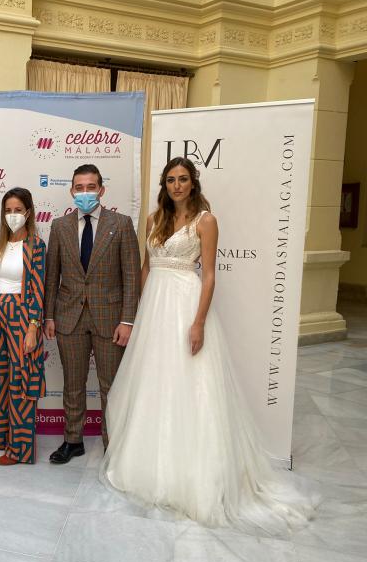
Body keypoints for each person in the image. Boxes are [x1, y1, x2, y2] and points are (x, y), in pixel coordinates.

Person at [101, 157, 313, 532]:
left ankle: (191, 472)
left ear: (193, 183)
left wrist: (198, 321)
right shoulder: (153, 220)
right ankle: (148, 461)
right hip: (155, 307)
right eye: (170, 179)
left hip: (185, 302)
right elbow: (147, 268)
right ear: (164, 185)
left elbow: (210, 275)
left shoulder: (206, 221)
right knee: (154, 382)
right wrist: (140, 309)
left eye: (183, 179)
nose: (176, 185)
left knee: (188, 382)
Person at [44, 164, 140, 464]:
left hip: (110, 319)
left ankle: (114, 446)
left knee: (111, 386)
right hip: (69, 317)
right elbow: (52, 276)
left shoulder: (121, 224)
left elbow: (131, 277)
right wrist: (49, 316)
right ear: (72, 191)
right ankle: (73, 440)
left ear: (101, 190)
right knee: (73, 384)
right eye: (79, 187)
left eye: (91, 187)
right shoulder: (60, 226)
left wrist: (127, 320)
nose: (85, 192)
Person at [0, 188, 45, 465]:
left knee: (20, 380)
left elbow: (39, 287)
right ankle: (3, 436)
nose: (13, 215)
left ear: (28, 212)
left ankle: (20, 449)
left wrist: (33, 326)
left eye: (18, 210)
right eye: (8, 210)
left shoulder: (36, 245)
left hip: (21, 314)